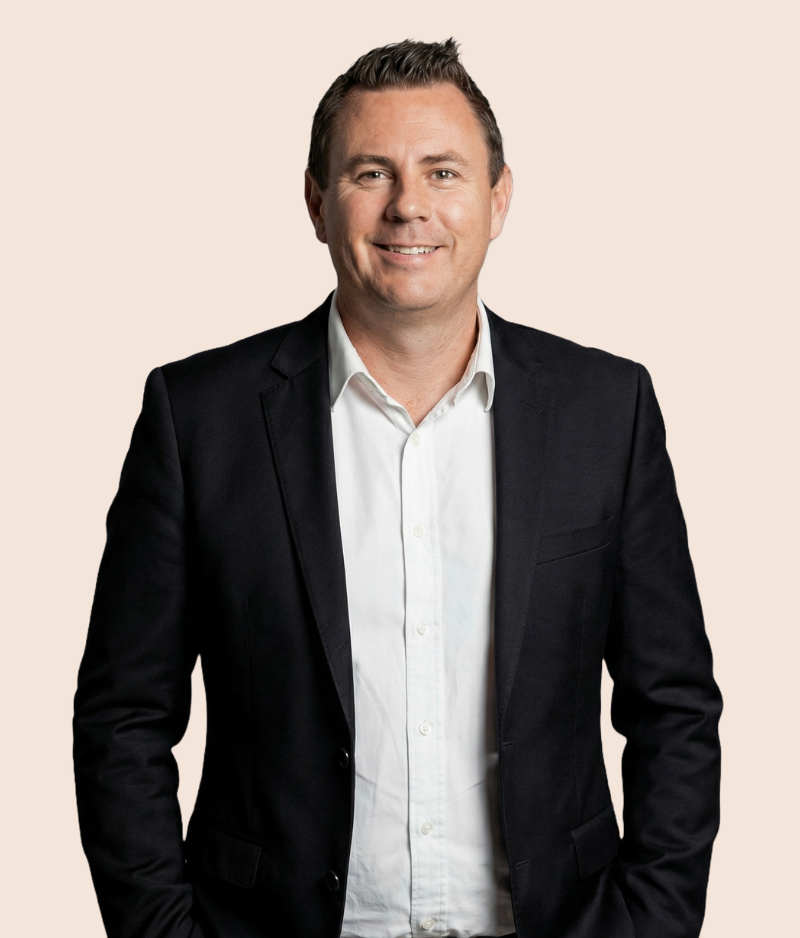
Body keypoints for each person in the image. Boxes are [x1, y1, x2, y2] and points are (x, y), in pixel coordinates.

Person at [74, 38, 722, 938]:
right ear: (316, 202)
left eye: (443, 172)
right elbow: (123, 718)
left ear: (499, 199)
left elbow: (673, 706)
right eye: (370, 172)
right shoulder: (198, 420)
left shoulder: (606, 412)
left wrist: (648, 926)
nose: (408, 205)